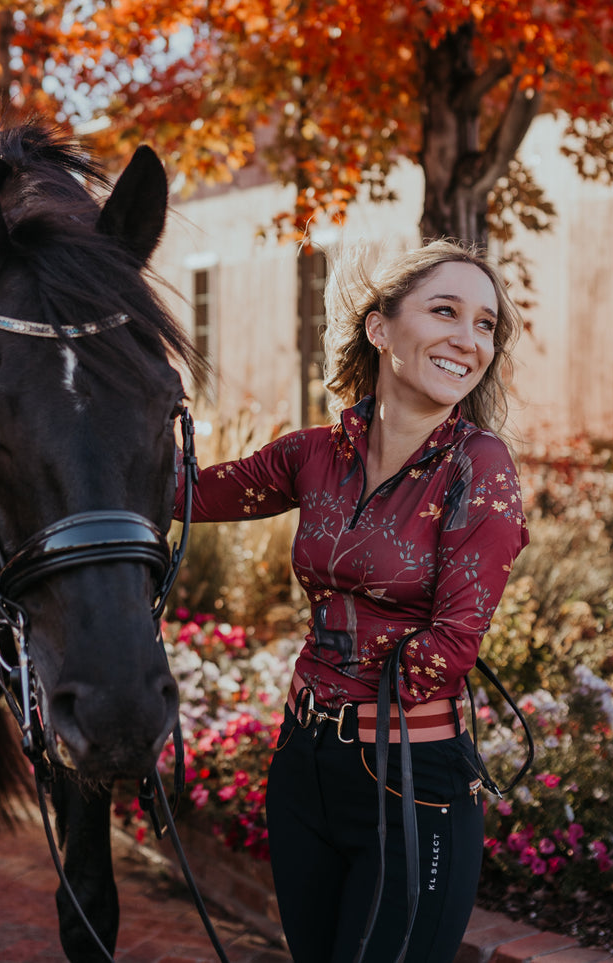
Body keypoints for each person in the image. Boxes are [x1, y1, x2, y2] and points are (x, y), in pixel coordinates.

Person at [176, 239, 530, 963]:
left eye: (485, 324)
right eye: (445, 311)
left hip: (410, 781)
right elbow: (185, 495)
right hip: (301, 764)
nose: (468, 339)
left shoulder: (477, 465)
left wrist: (353, 687)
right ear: (379, 328)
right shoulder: (315, 455)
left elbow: (453, 644)